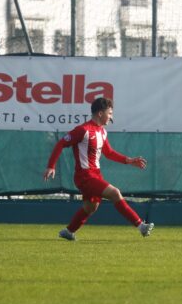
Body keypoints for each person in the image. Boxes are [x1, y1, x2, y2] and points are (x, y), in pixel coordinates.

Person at [43, 97, 154, 241]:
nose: (111, 117)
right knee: (115, 193)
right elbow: (61, 144)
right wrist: (51, 166)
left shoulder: (102, 132)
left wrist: (129, 160)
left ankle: (68, 231)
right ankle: (141, 226)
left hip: (95, 175)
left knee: (91, 207)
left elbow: (109, 153)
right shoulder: (83, 130)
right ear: (100, 113)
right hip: (84, 176)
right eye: (110, 113)